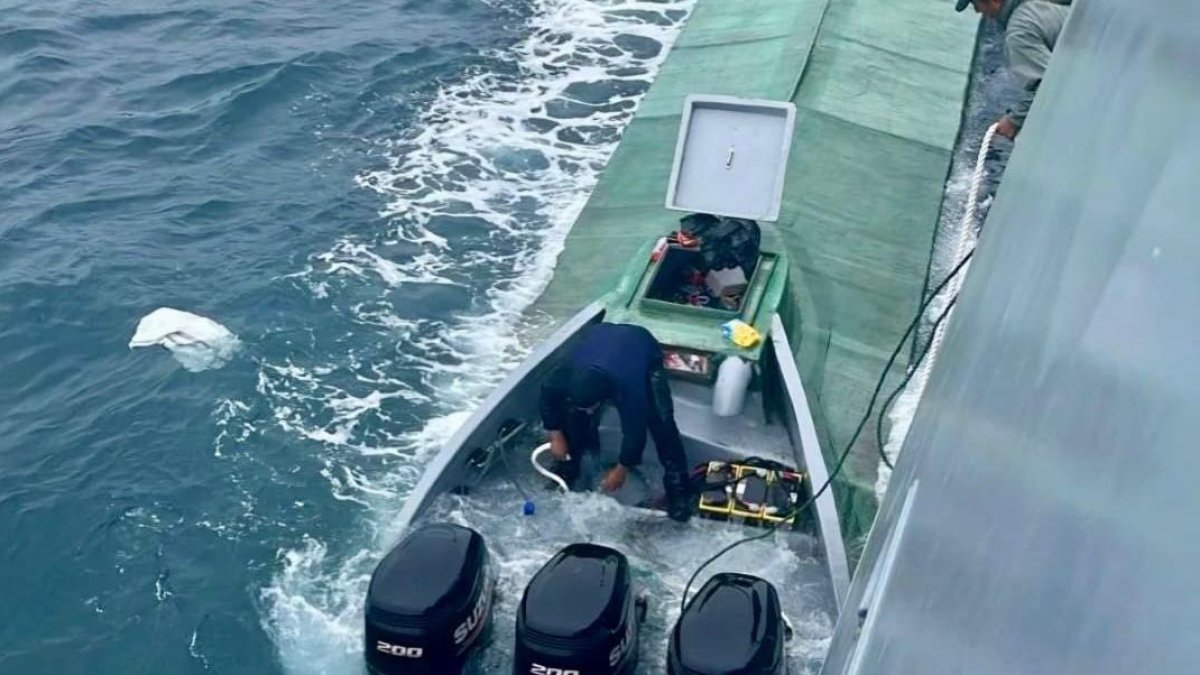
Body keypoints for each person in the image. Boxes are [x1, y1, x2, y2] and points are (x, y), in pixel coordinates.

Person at [538, 322, 692, 522]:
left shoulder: (629, 387)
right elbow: (546, 398)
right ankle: (568, 467)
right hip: (601, 338)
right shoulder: (562, 376)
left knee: (661, 423)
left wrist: (622, 469)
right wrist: (555, 434)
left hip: (639, 344)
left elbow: (635, 431)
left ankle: (678, 488)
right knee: (575, 418)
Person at [957, 0, 1072, 140]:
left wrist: (1014, 120)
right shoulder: (1038, 6)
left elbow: (1047, 85)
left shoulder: (1019, 32)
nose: (978, 11)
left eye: (976, 5)